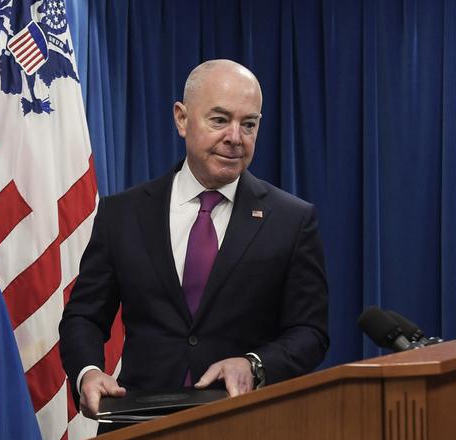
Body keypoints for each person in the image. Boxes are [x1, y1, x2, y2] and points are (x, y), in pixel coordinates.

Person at [59, 59, 329, 419]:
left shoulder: (291, 220)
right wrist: (87, 372)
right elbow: (84, 317)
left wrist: (254, 364)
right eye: (220, 120)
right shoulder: (122, 214)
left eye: (248, 124)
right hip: (137, 432)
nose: (235, 137)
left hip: (248, 433)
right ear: (182, 119)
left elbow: (310, 331)